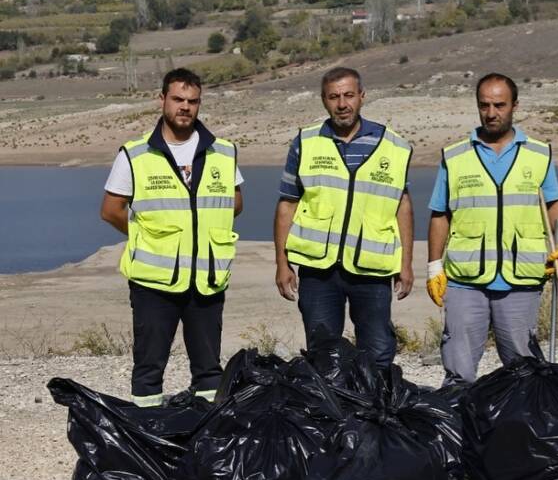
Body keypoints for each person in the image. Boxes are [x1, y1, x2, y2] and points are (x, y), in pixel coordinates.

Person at [100, 68, 243, 407]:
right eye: (178, 99)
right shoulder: (135, 154)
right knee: (149, 368)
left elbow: (234, 203)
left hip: (207, 279)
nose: (185, 107)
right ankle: (147, 439)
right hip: (154, 284)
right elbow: (111, 210)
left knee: (209, 371)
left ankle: (207, 440)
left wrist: (203, 230)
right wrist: (148, 237)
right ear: (162, 99)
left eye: (193, 101)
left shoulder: (223, 152)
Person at [425, 73, 558, 385]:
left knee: (525, 370)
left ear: (515, 105)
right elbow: (440, 214)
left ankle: (522, 430)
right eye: (484, 105)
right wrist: (434, 266)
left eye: (499, 105)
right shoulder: (455, 156)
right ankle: (458, 427)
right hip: (466, 281)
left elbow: (555, 206)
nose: (491, 113)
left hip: (521, 280)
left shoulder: (539, 154)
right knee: (458, 369)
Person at [273, 66, 414, 366]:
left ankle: (374, 410)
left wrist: (405, 265)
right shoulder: (306, 142)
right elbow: (287, 204)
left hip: (372, 270)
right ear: (324, 101)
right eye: (334, 97)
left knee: (377, 353)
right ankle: (330, 412)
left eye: (349, 95)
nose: (342, 104)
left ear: (362, 97)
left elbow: (402, 205)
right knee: (323, 354)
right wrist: (283, 264)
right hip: (318, 271)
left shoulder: (394, 146)